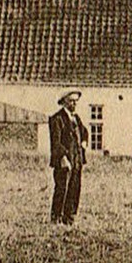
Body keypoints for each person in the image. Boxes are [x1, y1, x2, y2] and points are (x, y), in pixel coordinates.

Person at [48, 89, 89, 225]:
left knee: (75, 188)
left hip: (77, 159)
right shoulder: (57, 119)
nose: (74, 104)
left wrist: (84, 142)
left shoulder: (76, 118)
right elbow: (56, 142)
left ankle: (70, 217)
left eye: (76, 101)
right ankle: (56, 217)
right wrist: (62, 158)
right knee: (62, 188)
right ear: (64, 101)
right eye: (71, 101)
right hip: (64, 161)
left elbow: (84, 132)